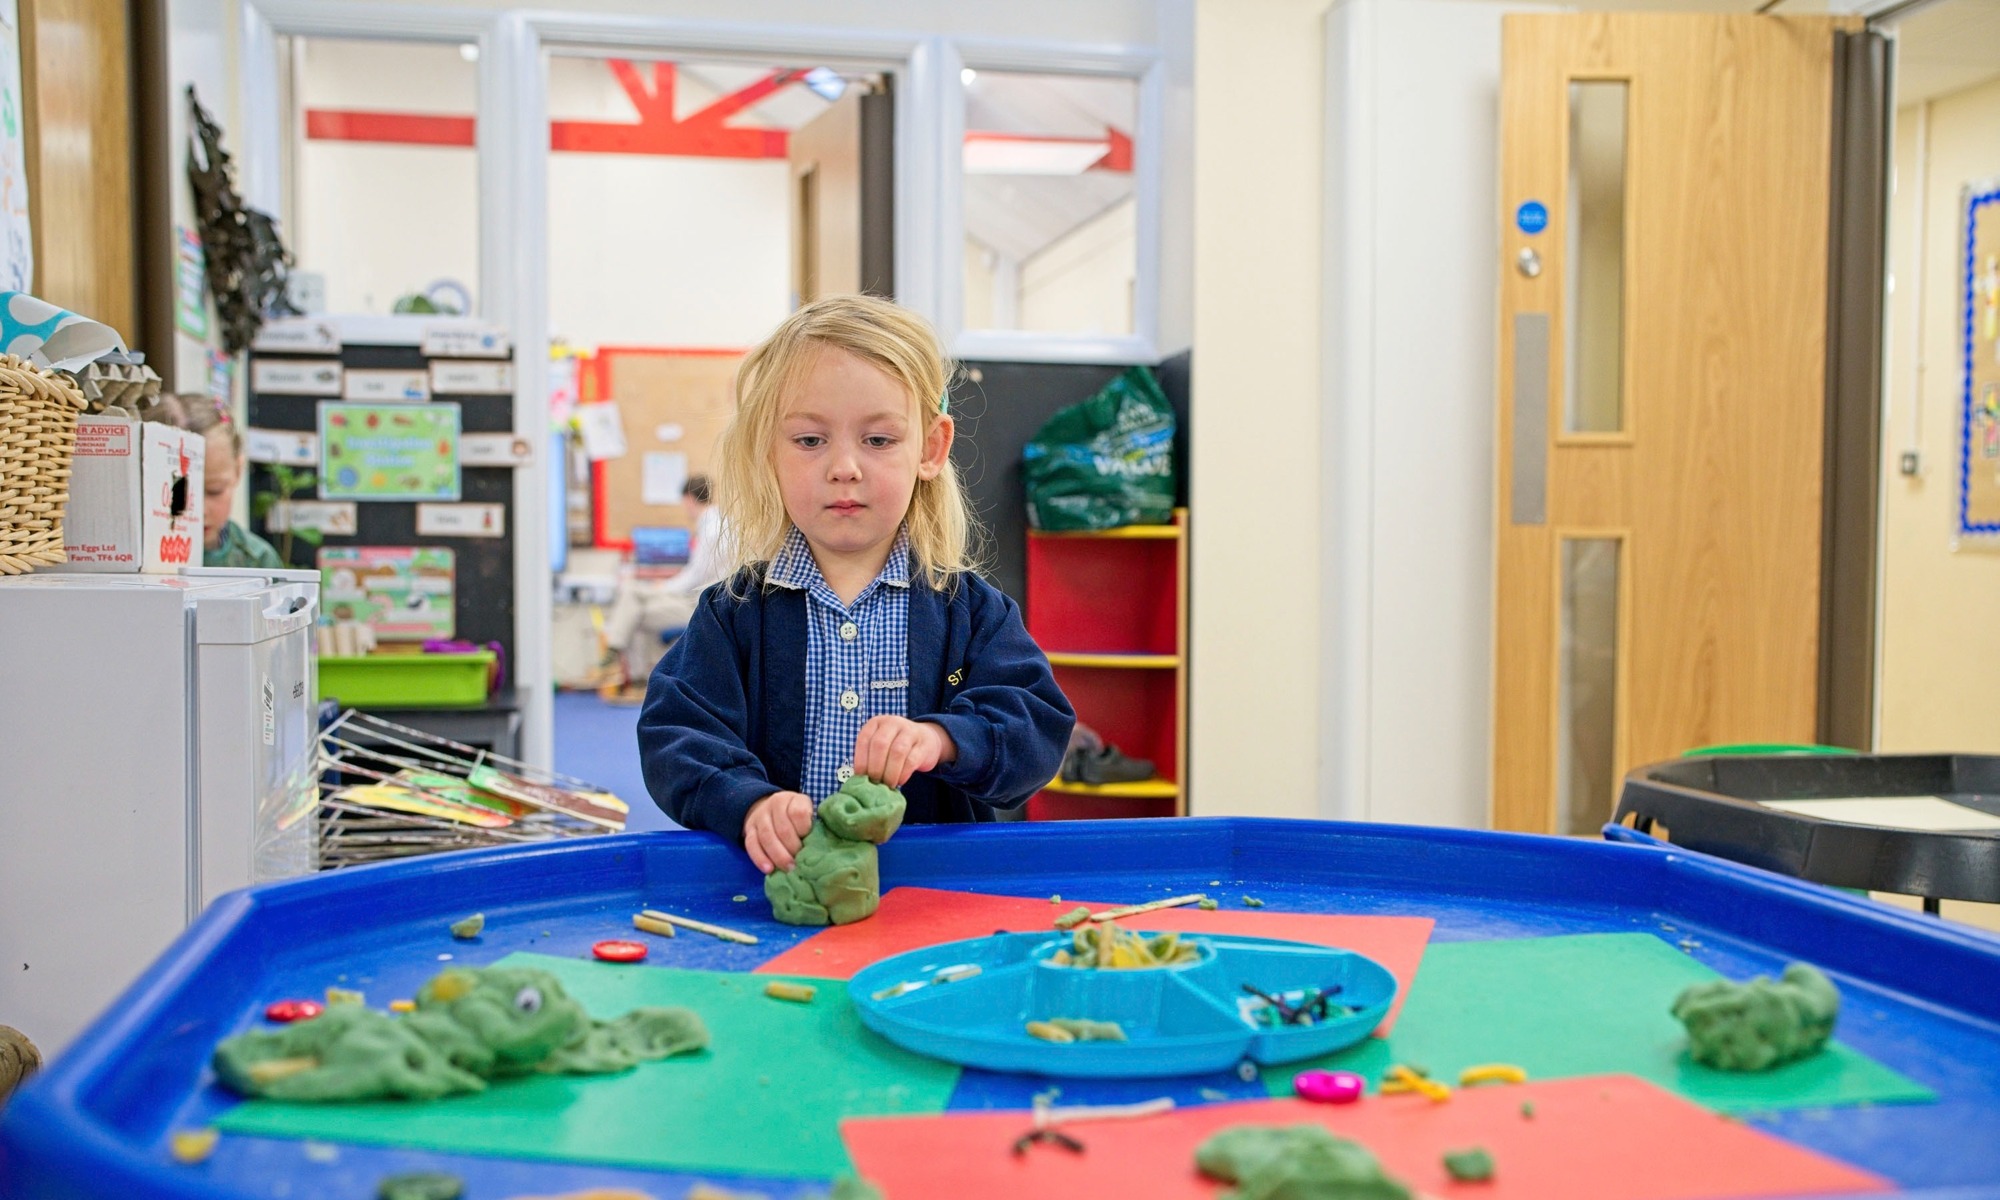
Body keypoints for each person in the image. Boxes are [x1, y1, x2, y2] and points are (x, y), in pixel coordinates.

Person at [637, 295, 1074, 873]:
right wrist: (747, 803)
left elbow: (1035, 726)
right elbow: (677, 733)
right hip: (776, 890)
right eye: (810, 440)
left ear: (931, 447)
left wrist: (944, 739)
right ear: (771, 450)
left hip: (931, 897)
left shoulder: (973, 612)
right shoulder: (731, 612)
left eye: (878, 440)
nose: (844, 467)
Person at [599, 475, 727, 696]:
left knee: (633, 607)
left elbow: (694, 578)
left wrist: (663, 587)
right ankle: (623, 659)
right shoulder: (718, 522)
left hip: (698, 605)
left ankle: (621, 659)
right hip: (697, 598)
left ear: (688, 499)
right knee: (632, 600)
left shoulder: (711, 529)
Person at [179, 395, 285, 570]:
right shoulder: (130, 557)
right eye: (180, 494)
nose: (200, 511)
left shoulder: (259, 562)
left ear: (238, 470)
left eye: (215, 491)